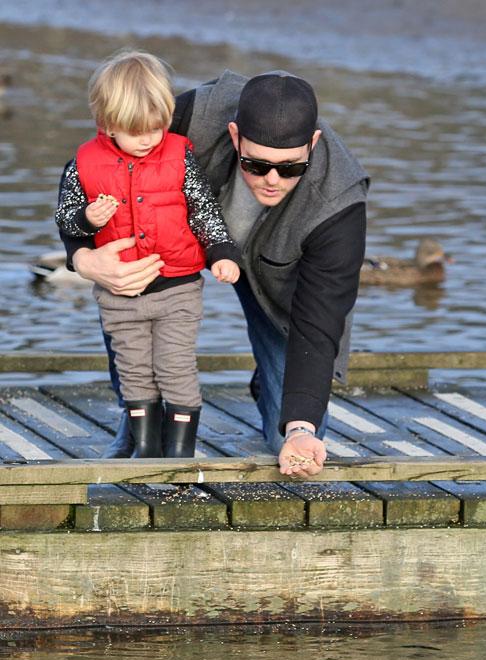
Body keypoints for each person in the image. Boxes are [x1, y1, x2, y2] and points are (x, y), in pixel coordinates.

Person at [60, 68, 368, 475]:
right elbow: (91, 169)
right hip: (166, 259)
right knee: (123, 290)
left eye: (290, 168)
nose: (272, 180)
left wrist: (300, 427)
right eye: (255, 164)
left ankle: (271, 390)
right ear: (235, 135)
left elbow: (320, 321)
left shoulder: (338, 204)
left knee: (289, 442)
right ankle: (136, 419)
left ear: (313, 143)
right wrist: (84, 259)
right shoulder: (190, 118)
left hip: (279, 292)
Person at [56, 51, 241, 458]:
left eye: (156, 128)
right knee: (134, 372)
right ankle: (143, 447)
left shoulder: (179, 156)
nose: (148, 139)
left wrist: (221, 253)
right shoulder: (83, 165)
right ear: (106, 124)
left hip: (178, 289)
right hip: (119, 295)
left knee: (175, 369)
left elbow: (203, 209)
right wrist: (87, 219)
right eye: (135, 131)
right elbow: (65, 220)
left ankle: (178, 454)